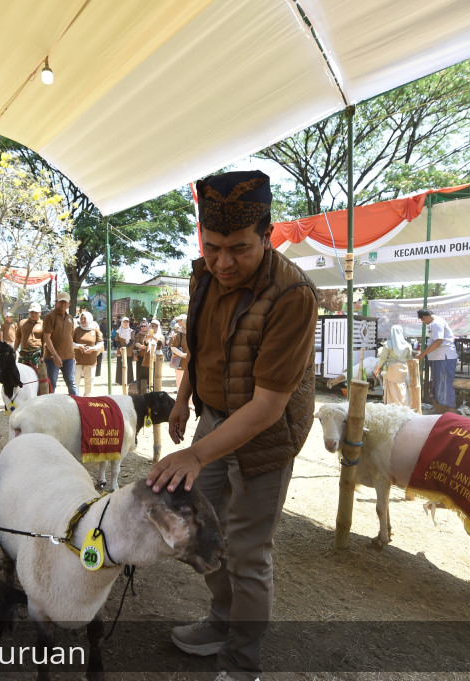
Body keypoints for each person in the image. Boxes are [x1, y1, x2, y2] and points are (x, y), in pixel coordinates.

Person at [146, 170, 318, 681]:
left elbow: (267, 406)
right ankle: (223, 620)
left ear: (267, 236)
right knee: (188, 528)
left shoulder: (293, 295)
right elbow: (198, 348)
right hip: (213, 419)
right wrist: (182, 399)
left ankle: (243, 663)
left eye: (239, 248)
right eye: (213, 245)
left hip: (266, 437)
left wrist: (196, 455)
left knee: (247, 551)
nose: (223, 261)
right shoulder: (203, 275)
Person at [415, 309, 458, 414]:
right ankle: (441, 408)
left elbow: (438, 341)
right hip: (438, 358)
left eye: (422, 320)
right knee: (437, 383)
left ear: (424, 317)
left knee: (444, 383)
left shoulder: (436, 323)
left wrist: (422, 354)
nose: (423, 322)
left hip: (444, 357)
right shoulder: (434, 323)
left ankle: (451, 409)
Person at [42, 291, 78, 395]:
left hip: (69, 357)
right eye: (61, 302)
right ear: (57, 302)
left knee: (71, 382)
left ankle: (77, 404)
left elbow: (70, 338)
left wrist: (73, 354)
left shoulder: (70, 318)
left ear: (69, 303)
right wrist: (55, 355)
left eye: (65, 302)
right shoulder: (50, 317)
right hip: (53, 358)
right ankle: (49, 406)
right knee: (52, 383)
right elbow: (47, 338)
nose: (63, 304)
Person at [373, 324, 414, 406]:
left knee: (392, 389)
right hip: (403, 369)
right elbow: (409, 358)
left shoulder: (388, 344)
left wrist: (377, 368)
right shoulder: (407, 345)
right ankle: (404, 406)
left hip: (392, 368)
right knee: (402, 387)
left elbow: (382, 358)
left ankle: (394, 408)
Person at [72, 310, 104, 396]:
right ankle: (75, 399)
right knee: (75, 381)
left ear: (89, 319)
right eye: (81, 318)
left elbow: (100, 343)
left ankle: (87, 401)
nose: (83, 320)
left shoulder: (95, 330)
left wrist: (93, 349)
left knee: (89, 382)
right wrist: (78, 346)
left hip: (90, 360)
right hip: (78, 360)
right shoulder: (77, 330)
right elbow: (70, 342)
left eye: (85, 318)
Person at [138, 319, 165, 391]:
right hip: (148, 357)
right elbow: (145, 344)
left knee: (155, 375)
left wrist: (155, 339)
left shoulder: (160, 335)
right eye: (152, 326)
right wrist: (148, 338)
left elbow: (161, 343)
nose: (154, 328)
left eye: (155, 326)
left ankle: (155, 389)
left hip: (157, 357)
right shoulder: (147, 335)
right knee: (146, 374)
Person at [15, 303, 44, 367]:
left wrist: (43, 356)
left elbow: (45, 342)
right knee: (21, 374)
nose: (33, 314)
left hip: (36, 355)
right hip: (23, 354)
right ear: (29, 312)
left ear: (40, 313)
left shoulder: (43, 324)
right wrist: (14, 351)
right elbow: (18, 337)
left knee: (38, 375)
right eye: (32, 312)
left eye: (36, 312)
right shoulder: (22, 323)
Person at [168, 314, 189, 392]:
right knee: (181, 385)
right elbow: (173, 347)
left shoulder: (195, 334)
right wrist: (182, 354)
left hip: (193, 364)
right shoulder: (178, 335)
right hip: (181, 363)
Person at [113, 316, 135, 385]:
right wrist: (121, 348)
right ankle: (119, 381)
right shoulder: (118, 331)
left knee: (129, 365)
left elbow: (132, 340)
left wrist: (125, 347)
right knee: (120, 365)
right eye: (124, 322)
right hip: (120, 350)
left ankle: (129, 381)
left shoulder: (131, 331)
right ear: (122, 323)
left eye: (127, 322)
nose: (125, 323)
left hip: (128, 350)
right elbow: (116, 340)